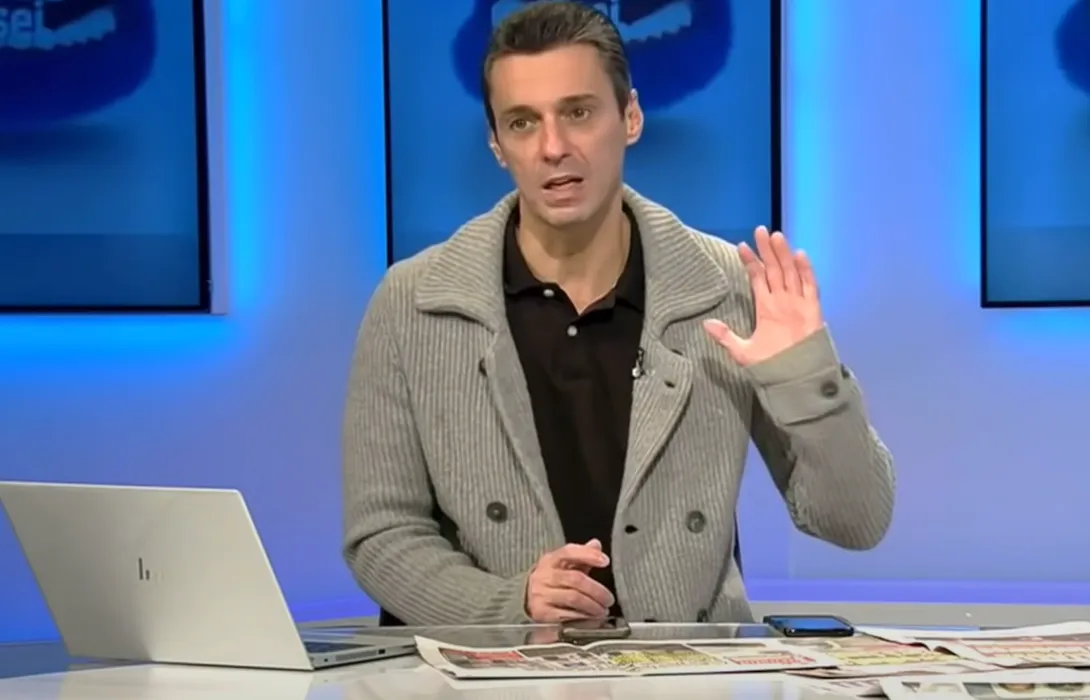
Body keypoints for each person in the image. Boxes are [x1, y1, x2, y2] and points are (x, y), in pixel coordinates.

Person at [341, 0, 895, 626]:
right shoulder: (414, 303)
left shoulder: (725, 290)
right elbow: (382, 534)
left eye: (578, 113)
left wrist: (805, 376)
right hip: (496, 664)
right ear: (497, 144)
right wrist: (508, 605)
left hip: (686, 666)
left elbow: (856, 521)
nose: (553, 147)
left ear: (630, 117)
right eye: (522, 123)